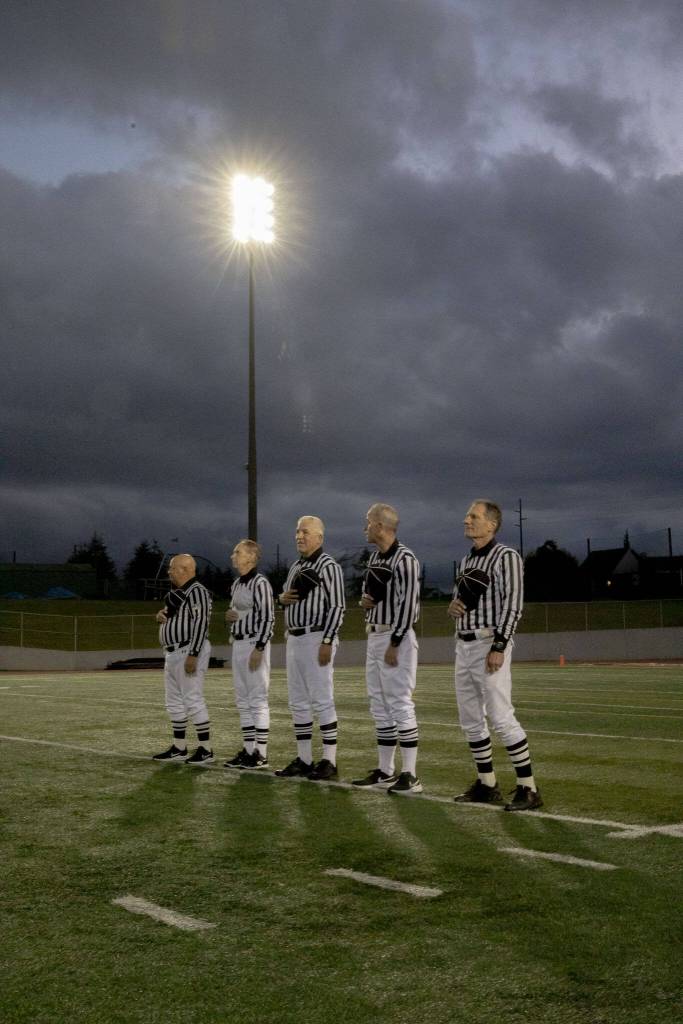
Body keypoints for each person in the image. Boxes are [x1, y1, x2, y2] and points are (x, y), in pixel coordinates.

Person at [449, 500, 543, 811]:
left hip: (489, 642)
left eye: (473, 516)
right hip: (464, 644)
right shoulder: (465, 561)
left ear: (491, 524)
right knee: (471, 719)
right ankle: (487, 784)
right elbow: (459, 604)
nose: (466, 520)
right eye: (467, 515)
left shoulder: (507, 557)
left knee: (501, 716)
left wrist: (500, 646)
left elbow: (513, 605)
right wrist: (453, 608)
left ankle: (528, 788)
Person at [353, 503, 422, 795]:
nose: (365, 527)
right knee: (379, 703)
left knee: (399, 702)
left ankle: (411, 775)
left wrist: (395, 642)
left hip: (396, 638)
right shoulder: (375, 557)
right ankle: (385, 770)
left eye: (368, 522)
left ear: (381, 526)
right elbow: (372, 595)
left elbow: (409, 605)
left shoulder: (405, 559)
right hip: (375, 635)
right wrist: (364, 601)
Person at [275, 516, 345, 781]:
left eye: (305, 531)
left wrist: (327, 640)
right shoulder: (295, 566)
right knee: (298, 701)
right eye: (297, 532)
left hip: (317, 637)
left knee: (321, 699)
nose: (299, 536)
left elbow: (337, 606)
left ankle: (330, 761)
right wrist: (280, 600)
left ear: (319, 537)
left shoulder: (329, 566)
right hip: (294, 638)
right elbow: (285, 598)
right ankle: (304, 759)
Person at [152, 553, 214, 766]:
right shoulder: (177, 592)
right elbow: (174, 617)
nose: (169, 571)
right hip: (172, 652)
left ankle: (206, 749)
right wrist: (161, 615)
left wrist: (193, 654)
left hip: (188, 649)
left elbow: (200, 624)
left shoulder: (198, 592)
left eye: (172, 568)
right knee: (174, 702)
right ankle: (179, 747)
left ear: (185, 569)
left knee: (193, 699)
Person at [223, 539, 275, 770]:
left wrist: (260, 647)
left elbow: (268, 617)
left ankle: (261, 754)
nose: (233, 555)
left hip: (254, 643)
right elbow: (240, 613)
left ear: (251, 557)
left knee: (257, 699)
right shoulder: (236, 584)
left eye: (237, 552)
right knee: (243, 700)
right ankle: (248, 749)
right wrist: (230, 617)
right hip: (239, 644)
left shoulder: (260, 582)